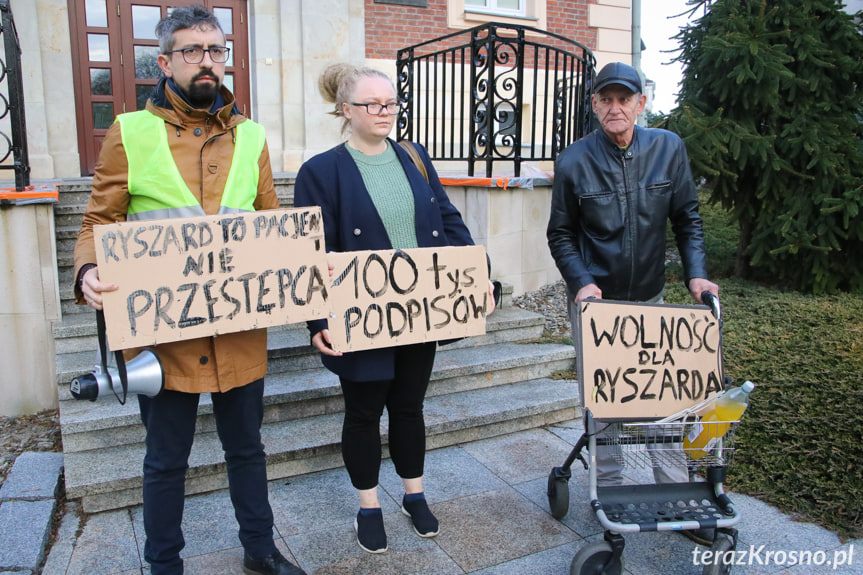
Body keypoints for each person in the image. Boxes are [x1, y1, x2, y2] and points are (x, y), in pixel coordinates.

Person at [72, 5, 305, 575]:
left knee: (247, 449)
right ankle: (164, 565)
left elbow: (271, 222)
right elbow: (98, 221)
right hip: (162, 333)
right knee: (165, 460)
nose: (207, 62)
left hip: (238, 327)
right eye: (193, 51)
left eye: (216, 51)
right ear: (166, 60)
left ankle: (261, 551)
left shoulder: (251, 136)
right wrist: (84, 273)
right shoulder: (129, 131)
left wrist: (302, 270)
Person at [293, 63, 496, 554]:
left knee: (409, 407)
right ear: (345, 110)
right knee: (363, 413)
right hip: (359, 316)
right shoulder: (320, 171)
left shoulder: (414, 157)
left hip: (419, 313)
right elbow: (308, 252)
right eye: (372, 104)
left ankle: (414, 494)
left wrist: (478, 274)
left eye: (390, 103)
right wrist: (317, 320)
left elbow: (448, 221)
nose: (385, 112)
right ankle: (368, 505)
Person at [546, 61, 719, 538]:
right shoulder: (574, 160)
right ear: (595, 104)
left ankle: (677, 492)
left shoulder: (668, 148)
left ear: (642, 104)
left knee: (666, 398)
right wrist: (581, 280)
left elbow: (688, 219)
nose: (616, 108)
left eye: (626, 99)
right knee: (606, 402)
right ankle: (610, 493)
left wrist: (698, 276)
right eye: (607, 99)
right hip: (596, 305)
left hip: (650, 299)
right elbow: (560, 234)